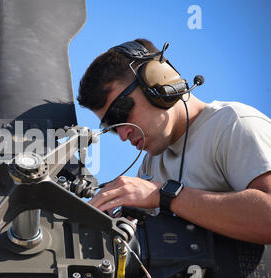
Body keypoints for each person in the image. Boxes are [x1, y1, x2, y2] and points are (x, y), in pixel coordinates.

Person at [77, 38, 271, 245]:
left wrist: (164, 195)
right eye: (112, 128)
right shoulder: (150, 167)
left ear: (159, 82)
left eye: (120, 114)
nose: (123, 135)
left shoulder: (233, 124)